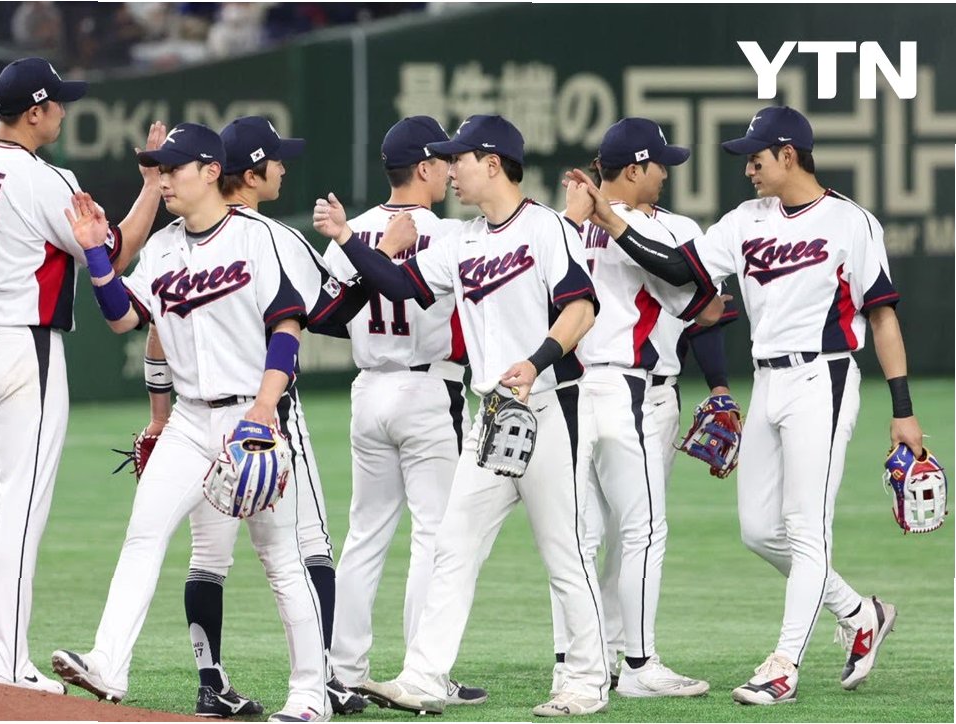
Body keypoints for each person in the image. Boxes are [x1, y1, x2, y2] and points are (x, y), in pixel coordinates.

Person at [571, 105, 915, 705]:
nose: (748, 169)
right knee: (759, 531)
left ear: (789, 155)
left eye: (756, 159)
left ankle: (784, 664)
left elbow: (882, 315)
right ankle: (861, 613)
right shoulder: (743, 221)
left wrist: (902, 408)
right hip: (767, 382)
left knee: (806, 528)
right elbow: (678, 270)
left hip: (824, 377)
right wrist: (612, 219)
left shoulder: (851, 222)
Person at [320, 114, 612, 717]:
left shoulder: (546, 228)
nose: (449, 169)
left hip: (547, 406)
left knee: (564, 550)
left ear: (493, 162)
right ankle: (424, 676)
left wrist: (535, 361)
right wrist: (350, 240)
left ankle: (587, 680)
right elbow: (398, 286)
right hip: (492, 414)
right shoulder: (463, 240)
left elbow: (582, 309)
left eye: (459, 158)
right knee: (451, 545)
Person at [50, 122, 332, 723]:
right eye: (158, 169)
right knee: (144, 533)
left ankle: (310, 694)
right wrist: (96, 251)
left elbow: (287, 328)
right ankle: (108, 663)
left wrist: (265, 407)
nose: (163, 180)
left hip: (250, 416)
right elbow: (123, 317)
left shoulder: (258, 237)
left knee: (280, 557)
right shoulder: (162, 246)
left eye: (172, 169)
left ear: (210, 171)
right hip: (188, 420)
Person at [0, 57, 163, 693]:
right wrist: (150, 187)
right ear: (34, 111)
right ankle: (5, 660)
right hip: (20, 348)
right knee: (21, 506)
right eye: (57, 103)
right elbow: (112, 255)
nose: (63, 111)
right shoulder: (45, 179)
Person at [312, 116, 487, 708]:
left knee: (365, 534)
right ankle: (423, 670)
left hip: (368, 389)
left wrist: (362, 250)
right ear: (424, 167)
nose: (447, 168)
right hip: (429, 390)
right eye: (442, 160)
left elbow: (326, 316)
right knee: (435, 536)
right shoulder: (450, 233)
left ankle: (344, 669)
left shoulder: (354, 229)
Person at [545, 118, 722, 699]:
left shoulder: (559, 228)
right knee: (641, 530)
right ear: (634, 169)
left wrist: (583, 218)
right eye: (658, 164)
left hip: (568, 390)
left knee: (579, 535)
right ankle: (639, 664)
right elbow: (695, 291)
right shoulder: (650, 226)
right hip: (627, 390)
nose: (665, 174)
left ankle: (574, 662)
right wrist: (608, 220)